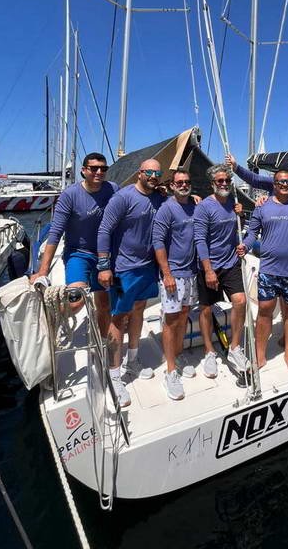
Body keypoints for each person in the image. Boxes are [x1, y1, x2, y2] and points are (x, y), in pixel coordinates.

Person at [97, 159, 165, 407]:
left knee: (139, 310)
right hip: (123, 269)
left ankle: (133, 359)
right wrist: (104, 266)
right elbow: (104, 230)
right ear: (140, 173)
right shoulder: (123, 198)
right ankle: (114, 374)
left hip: (148, 267)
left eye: (158, 172)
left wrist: (195, 199)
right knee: (118, 317)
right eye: (149, 172)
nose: (154, 176)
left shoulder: (159, 198)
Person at [237, 170, 288, 373]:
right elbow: (252, 233)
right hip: (269, 270)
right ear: (273, 184)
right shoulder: (262, 206)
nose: (285, 184)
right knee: (265, 309)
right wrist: (245, 245)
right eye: (281, 181)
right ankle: (260, 354)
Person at [30, 153, 118, 335]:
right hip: (79, 253)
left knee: (104, 304)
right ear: (83, 170)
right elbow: (55, 233)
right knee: (76, 301)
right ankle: (49, 322)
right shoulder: (70, 195)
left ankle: (103, 342)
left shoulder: (113, 189)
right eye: (94, 168)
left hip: (104, 255)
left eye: (103, 168)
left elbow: (133, 201)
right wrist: (42, 271)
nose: (99, 172)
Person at [193, 164, 249, 379]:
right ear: (212, 184)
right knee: (206, 309)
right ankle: (209, 351)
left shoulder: (234, 204)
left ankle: (234, 347)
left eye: (227, 180)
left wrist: (241, 215)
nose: (224, 183)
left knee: (240, 301)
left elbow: (237, 230)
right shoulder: (204, 207)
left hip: (230, 263)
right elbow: (200, 240)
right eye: (220, 181)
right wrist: (208, 270)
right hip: (209, 266)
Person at [152, 168, 199, 401]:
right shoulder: (166, 209)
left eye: (186, 182)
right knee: (171, 321)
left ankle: (178, 355)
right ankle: (170, 370)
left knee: (183, 316)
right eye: (179, 182)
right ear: (172, 185)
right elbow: (158, 241)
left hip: (191, 272)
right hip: (174, 274)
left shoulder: (196, 206)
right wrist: (167, 273)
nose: (183, 185)